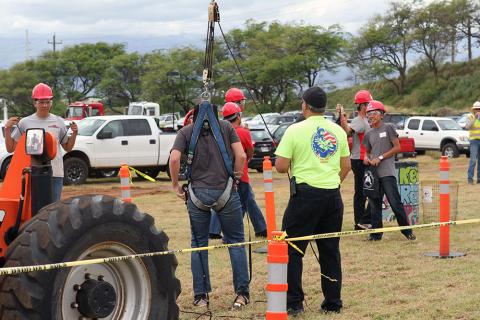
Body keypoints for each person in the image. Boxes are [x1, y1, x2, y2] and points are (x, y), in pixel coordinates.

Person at [275, 86, 351, 315]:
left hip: (305, 197)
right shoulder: (338, 130)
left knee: (292, 249)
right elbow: (346, 166)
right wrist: (331, 182)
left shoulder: (294, 130)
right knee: (330, 250)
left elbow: (281, 167)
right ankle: (333, 303)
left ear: (305, 105)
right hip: (332, 196)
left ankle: (294, 303)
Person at [169, 103, 250, 308]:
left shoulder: (185, 132)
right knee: (236, 242)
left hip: (197, 195)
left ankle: (201, 297)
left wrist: (176, 184)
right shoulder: (227, 128)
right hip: (226, 191)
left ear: (194, 117)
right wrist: (237, 178)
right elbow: (241, 156)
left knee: (198, 244)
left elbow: (175, 158)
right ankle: (241, 294)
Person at [5, 83, 78, 201]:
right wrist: (7, 129)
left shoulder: (59, 122)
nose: (45, 105)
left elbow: (68, 148)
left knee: (53, 210)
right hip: (32, 173)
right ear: (35, 102)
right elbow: (11, 148)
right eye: (41, 102)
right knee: (34, 211)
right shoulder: (25, 122)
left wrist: (74, 133)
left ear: (51, 102)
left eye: (48, 101)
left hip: (55, 173)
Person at [209, 103, 267, 238]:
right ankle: (254, 230)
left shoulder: (218, 132)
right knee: (243, 203)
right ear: (238, 116)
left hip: (222, 174)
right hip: (240, 174)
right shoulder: (242, 132)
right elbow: (248, 151)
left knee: (223, 202)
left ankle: (213, 230)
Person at [362, 100, 416, 241]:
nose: (370, 116)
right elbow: (366, 152)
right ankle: (376, 234)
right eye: (368, 114)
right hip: (374, 174)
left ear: (382, 115)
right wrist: (366, 158)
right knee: (374, 205)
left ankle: (407, 231)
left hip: (387, 172)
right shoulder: (369, 134)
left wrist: (380, 157)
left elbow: (397, 148)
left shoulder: (389, 128)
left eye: (373, 113)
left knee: (395, 203)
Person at [337, 90, 373, 230]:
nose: (371, 106)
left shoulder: (365, 120)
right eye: (369, 103)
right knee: (362, 192)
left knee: (365, 191)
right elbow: (347, 132)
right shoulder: (359, 121)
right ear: (363, 105)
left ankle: (362, 221)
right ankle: (360, 221)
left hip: (364, 159)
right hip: (359, 160)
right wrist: (342, 117)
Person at [465, 101, 480, 184]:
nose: (478, 110)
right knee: (473, 160)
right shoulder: (470, 116)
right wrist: (475, 118)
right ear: (473, 109)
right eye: (476, 109)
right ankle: (470, 179)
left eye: (479, 109)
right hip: (474, 141)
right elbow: (467, 127)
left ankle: (479, 179)